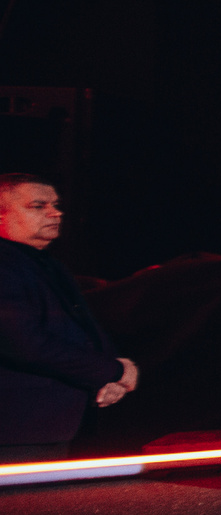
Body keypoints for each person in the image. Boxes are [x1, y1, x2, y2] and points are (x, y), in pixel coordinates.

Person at [0, 175, 136, 448]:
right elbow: (23, 343)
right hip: (19, 425)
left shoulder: (48, 265)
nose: (56, 213)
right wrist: (112, 370)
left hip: (54, 421)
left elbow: (84, 328)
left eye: (55, 205)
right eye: (38, 206)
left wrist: (110, 377)